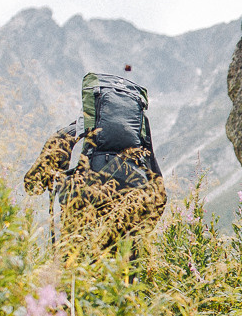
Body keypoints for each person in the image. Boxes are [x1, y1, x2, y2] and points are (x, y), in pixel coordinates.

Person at [22, 70, 166, 252]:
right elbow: (160, 194)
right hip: (131, 213)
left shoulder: (73, 134)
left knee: (77, 267)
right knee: (126, 272)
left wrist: (55, 177)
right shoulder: (139, 144)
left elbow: (32, 185)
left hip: (83, 213)